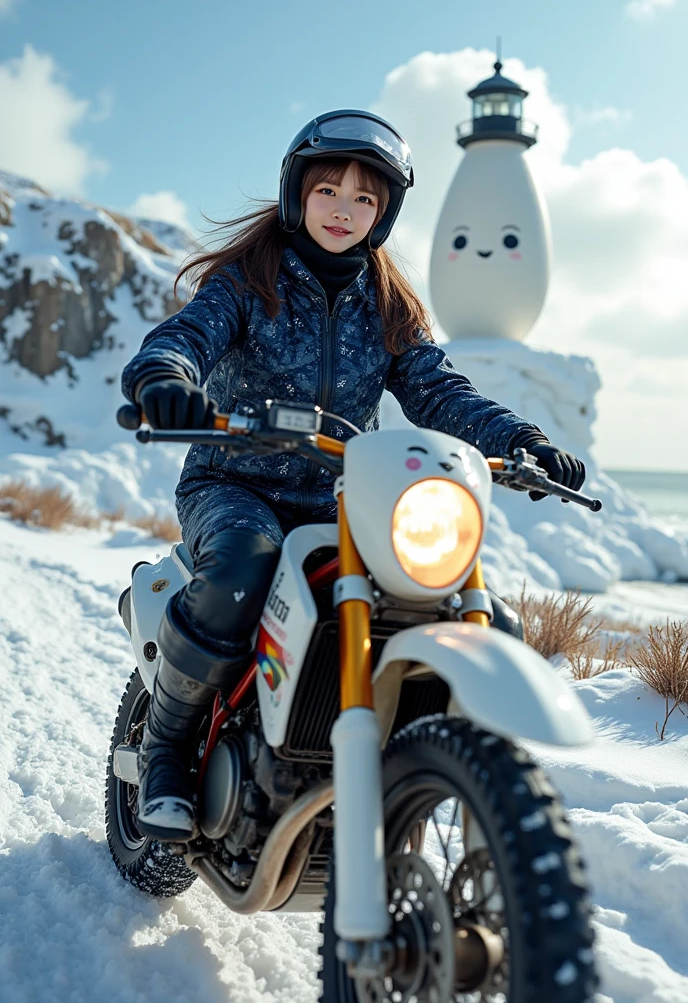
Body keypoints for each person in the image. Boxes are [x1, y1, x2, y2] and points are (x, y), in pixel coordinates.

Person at [121, 110, 585, 842]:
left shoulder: (389, 302)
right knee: (246, 563)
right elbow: (187, 334)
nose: (345, 209)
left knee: (454, 602)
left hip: (344, 499)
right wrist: (165, 377)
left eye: (365, 198)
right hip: (235, 484)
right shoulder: (250, 280)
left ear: (385, 214)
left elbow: (439, 391)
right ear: (296, 193)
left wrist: (520, 440)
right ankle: (167, 751)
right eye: (329, 189)